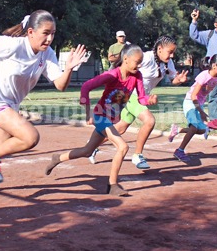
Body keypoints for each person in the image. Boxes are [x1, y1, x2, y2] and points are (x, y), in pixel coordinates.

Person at [0, 10, 87, 196]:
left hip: (11, 104)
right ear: (31, 32)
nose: (49, 39)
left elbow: (60, 85)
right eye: (45, 33)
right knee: (30, 137)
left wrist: (69, 68)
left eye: (53, 33)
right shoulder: (12, 45)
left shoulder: (46, 54)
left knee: (0, 147)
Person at [44, 44, 151, 196]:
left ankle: (57, 158)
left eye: (141, 62)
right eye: (137, 61)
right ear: (125, 59)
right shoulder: (112, 75)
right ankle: (112, 185)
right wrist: (88, 114)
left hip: (110, 119)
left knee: (88, 151)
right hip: (101, 116)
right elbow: (86, 87)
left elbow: (141, 98)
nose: (139, 65)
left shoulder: (137, 76)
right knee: (123, 147)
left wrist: (149, 100)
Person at [88, 36, 189, 169]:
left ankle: (92, 145)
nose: (172, 55)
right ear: (159, 49)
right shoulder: (146, 57)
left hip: (141, 97)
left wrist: (179, 80)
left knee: (120, 128)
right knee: (149, 121)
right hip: (131, 95)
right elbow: (129, 66)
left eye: (173, 52)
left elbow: (172, 80)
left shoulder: (167, 63)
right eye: (169, 52)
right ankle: (138, 155)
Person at [168, 54, 217, 162]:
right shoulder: (204, 75)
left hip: (198, 103)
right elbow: (193, 95)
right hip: (190, 102)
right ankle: (179, 151)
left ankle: (177, 130)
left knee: (201, 130)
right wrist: (201, 112)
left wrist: (201, 107)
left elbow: (204, 92)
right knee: (194, 127)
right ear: (214, 66)